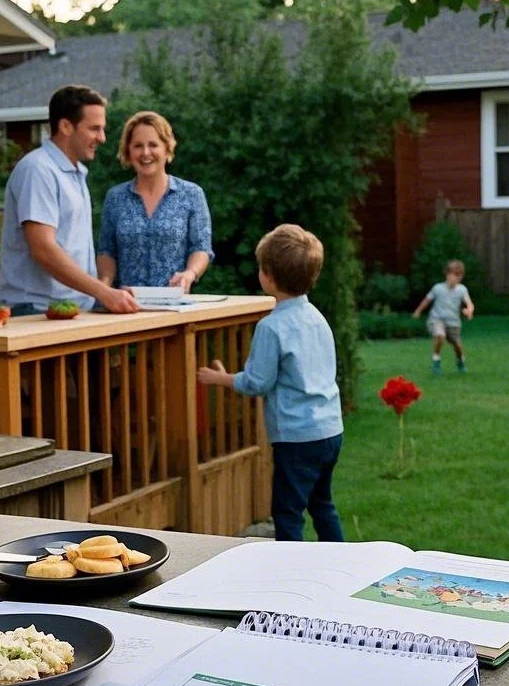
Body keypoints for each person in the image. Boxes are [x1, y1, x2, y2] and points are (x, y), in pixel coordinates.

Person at [196, 224, 345, 542]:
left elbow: (257, 383)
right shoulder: (317, 317)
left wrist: (220, 378)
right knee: (322, 505)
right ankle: (342, 566)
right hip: (330, 430)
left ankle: (288, 575)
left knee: (287, 513)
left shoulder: (272, 327)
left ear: (268, 277)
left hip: (297, 438)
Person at [0, 85, 138, 315]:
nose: (102, 138)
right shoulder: (38, 170)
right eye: (94, 129)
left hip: (69, 312)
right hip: (37, 313)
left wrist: (102, 293)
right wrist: (103, 293)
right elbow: (43, 249)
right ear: (65, 126)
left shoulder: (75, 173)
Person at [96, 111, 212, 293]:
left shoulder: (191, 194)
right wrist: (104, 285)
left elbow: (201, 248)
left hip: (174, 305)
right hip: (126, 305)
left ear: (167, 148)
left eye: (153, 145)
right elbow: (106, 251)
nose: (145, 153)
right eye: (137, 146)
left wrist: (190, 273)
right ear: (128, 151)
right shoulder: (115, 197)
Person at [412, 259, 475, 373]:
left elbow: (469, 303)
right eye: (454, 275)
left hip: (453, 322)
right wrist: (418, 311)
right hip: (437, 319)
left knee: (457, 345)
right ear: (447, 274)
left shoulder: (462, 289)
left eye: (459, 276)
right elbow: (427, 300)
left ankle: (460, 360)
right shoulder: (438, 288)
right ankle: (436, 360)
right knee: (440, 336)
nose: (456, 278)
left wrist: (469, 311)